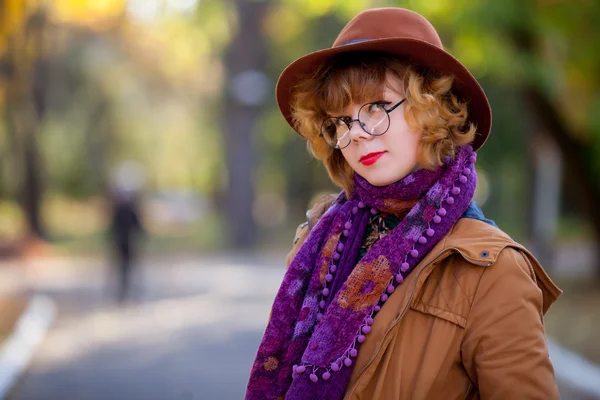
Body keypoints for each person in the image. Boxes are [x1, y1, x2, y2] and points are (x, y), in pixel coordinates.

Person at [246, 7, 561, 400]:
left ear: (431, 110)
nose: (356, 134)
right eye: (341, 121)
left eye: (376, 107)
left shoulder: (495, 271)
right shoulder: (319, 240)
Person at [108, 188, 146, 303]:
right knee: (123, 266)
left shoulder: (125, 210)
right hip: (123, 242)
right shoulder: (121, 210)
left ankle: (129, 288)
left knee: (128, 266)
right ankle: (125, 288)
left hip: (128, 242)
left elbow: (137, 225)